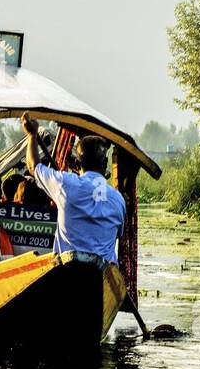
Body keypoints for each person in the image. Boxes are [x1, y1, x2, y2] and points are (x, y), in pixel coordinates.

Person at [20, 112, 125, 263]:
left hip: (68, 272)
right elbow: (117, 234)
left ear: (77, 163)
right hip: (102, 279)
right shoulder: (118, 199)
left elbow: (33, 166)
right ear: (104, 163)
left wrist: (32, 135)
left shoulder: (64, 183)